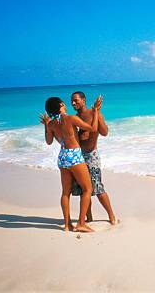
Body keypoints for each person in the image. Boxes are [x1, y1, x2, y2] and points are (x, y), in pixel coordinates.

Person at [39, 96, 101, 232]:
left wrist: (46, 125)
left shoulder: (51, 124)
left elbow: (49, 142)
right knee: (87, 189)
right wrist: (95, 111)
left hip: (62, 158)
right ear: (61, 104)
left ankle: (67, 225)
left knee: (65, 193)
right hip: (74, 156)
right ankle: (80, 223)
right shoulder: (70, 118)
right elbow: (93, 128)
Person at [70, 91, 118, 225]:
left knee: (98, 188)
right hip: (80, 156)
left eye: (76, 100)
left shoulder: (92, 113)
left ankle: (111, 216)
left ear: (83, 100)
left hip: (91, 156)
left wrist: (97, 114)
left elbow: (104, 132)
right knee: (84, 189)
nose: (73, 103)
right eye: (72, 101)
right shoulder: (76, 117)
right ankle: (89, 218)